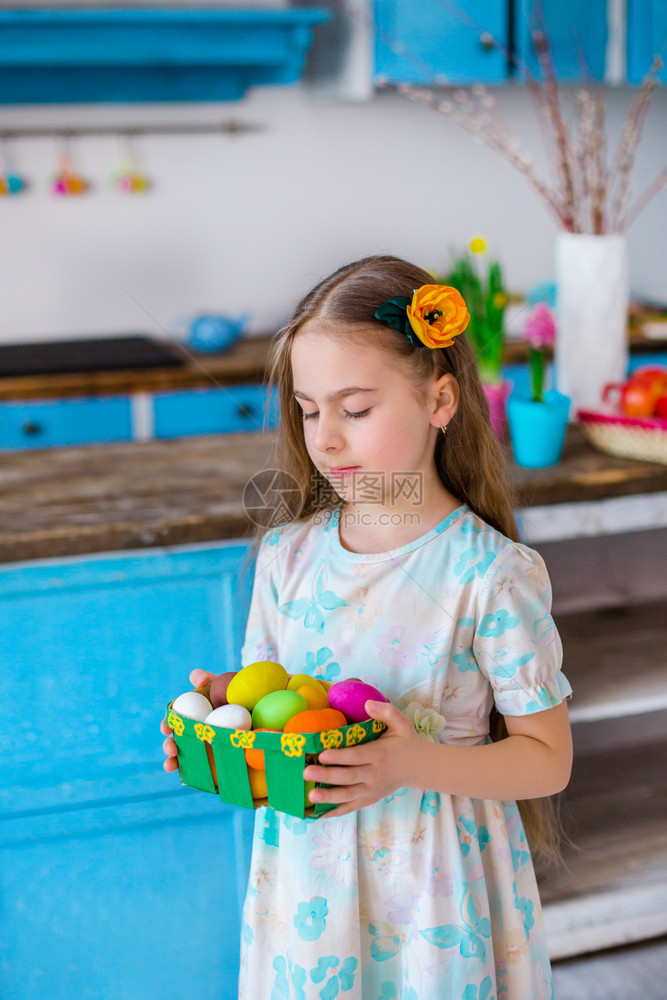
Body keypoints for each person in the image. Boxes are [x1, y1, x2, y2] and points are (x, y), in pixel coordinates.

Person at [162, 255, 573, 1000]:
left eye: (354, 410)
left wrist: (406, 763)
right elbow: (283, 703)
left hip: (432, 891)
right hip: (307, 881)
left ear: (439, 399)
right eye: (308, 409)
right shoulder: (286, 554)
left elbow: (545, 761)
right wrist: (226, 725)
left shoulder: (487, 574)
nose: (325, 439)